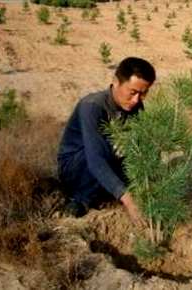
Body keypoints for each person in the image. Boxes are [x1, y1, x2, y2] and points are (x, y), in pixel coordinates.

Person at [57, 57, 156, 227]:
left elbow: (139, 146)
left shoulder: (136, 107)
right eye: (132, 92)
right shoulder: (92, 106)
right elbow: (96, 159)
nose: (136, 100)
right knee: (109, 149)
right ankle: (80, 199)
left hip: (109, 160)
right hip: (77, 167)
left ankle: (106, 192)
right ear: (116, 82)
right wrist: (130, 202)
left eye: (143, 93)